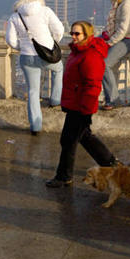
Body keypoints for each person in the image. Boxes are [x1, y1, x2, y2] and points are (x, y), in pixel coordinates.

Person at [46, 21, 118, 188]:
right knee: (84, 137)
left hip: (81, 106)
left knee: (68, 141)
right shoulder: (77, 51)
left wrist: (86, 112)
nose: (73, 36)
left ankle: (64, 176)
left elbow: (92, 86)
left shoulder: (90, 55)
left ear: (87, 35)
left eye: (77, 34)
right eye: (72, 33)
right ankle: (111, 163)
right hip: (75, 104)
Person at [5, 0, 65, 135]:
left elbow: (10, 40)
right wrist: (52, 43)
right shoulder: (45, 11)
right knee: (58, 70)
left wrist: (22, 47)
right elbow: (59, 29)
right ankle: (55, 100)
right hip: (47, 55)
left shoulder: (15, 16)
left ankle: (35, 127)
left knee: (33, 91)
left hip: (27, 57)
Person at [99, 0, 130, 110]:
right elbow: (114, 25)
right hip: (117, 37)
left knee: (104, 64)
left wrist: (108, 43)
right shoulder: (120, 1)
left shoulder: (127, 4)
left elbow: (123, 30)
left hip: (128, 39)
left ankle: (113, 99)